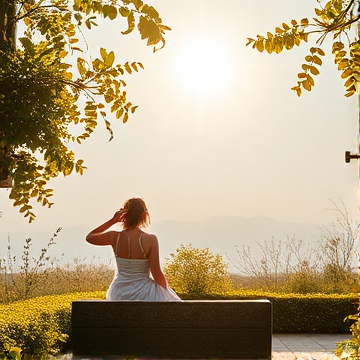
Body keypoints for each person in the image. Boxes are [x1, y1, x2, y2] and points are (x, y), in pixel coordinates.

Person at [86, 197, 181, 301]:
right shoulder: (150, 240)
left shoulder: (114, 237)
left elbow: (90, 237)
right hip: (143, 292)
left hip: (119, 293)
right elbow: (156, 273)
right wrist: (167, 292)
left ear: (125, 215)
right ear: (144, 215)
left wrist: (113, 221)